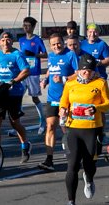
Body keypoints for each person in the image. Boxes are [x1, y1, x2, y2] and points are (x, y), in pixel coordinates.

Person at [59, 54, 109, 204]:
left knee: (89, 164)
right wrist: (63, 110)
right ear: (78, 70)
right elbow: (64, 103)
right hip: (73, 128)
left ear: (94, 71)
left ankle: (89, 179)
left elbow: (108, 104)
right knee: (72, 165)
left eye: (89, 70)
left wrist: (95, 108)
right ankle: (71, 201)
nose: (86, 73)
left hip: (92, 128)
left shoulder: (100, 83)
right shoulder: (70, 84)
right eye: (83, 70)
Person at [0, 32, 32, 161]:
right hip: (0, 93)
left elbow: (26, 71)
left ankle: (25, 145)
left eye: (8, 39)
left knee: (15, 122)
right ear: (0, 43)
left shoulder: (17, 55)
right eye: (3, 40)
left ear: (12, 42)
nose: (5, 42)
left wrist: (14, 81)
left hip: (14, 93)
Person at [39, 32, 78, 172]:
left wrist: (63, 79)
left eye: (58, 43)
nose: (57, 46)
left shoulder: (70, 54)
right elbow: (51, 70)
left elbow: (78, 73)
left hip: (67, 98)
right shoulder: (51, 56)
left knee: (66, 128)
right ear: (50, 46)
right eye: (53, 44)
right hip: (52, 98)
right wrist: (45, 80)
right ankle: (49, 159)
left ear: (63, 42)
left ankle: (73, 156)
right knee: (50, 126)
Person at [18, 16, 48, 125]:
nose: (25, 28)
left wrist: (34, 55)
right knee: (18, 97)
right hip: (23, 72)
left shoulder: (37, 40)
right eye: (24, 25)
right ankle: (18, 122)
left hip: (34, 73)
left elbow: (45, 54)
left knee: (34, 98)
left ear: (33, 27)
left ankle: (42, 120)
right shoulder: (21, 40)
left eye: (28, 26)